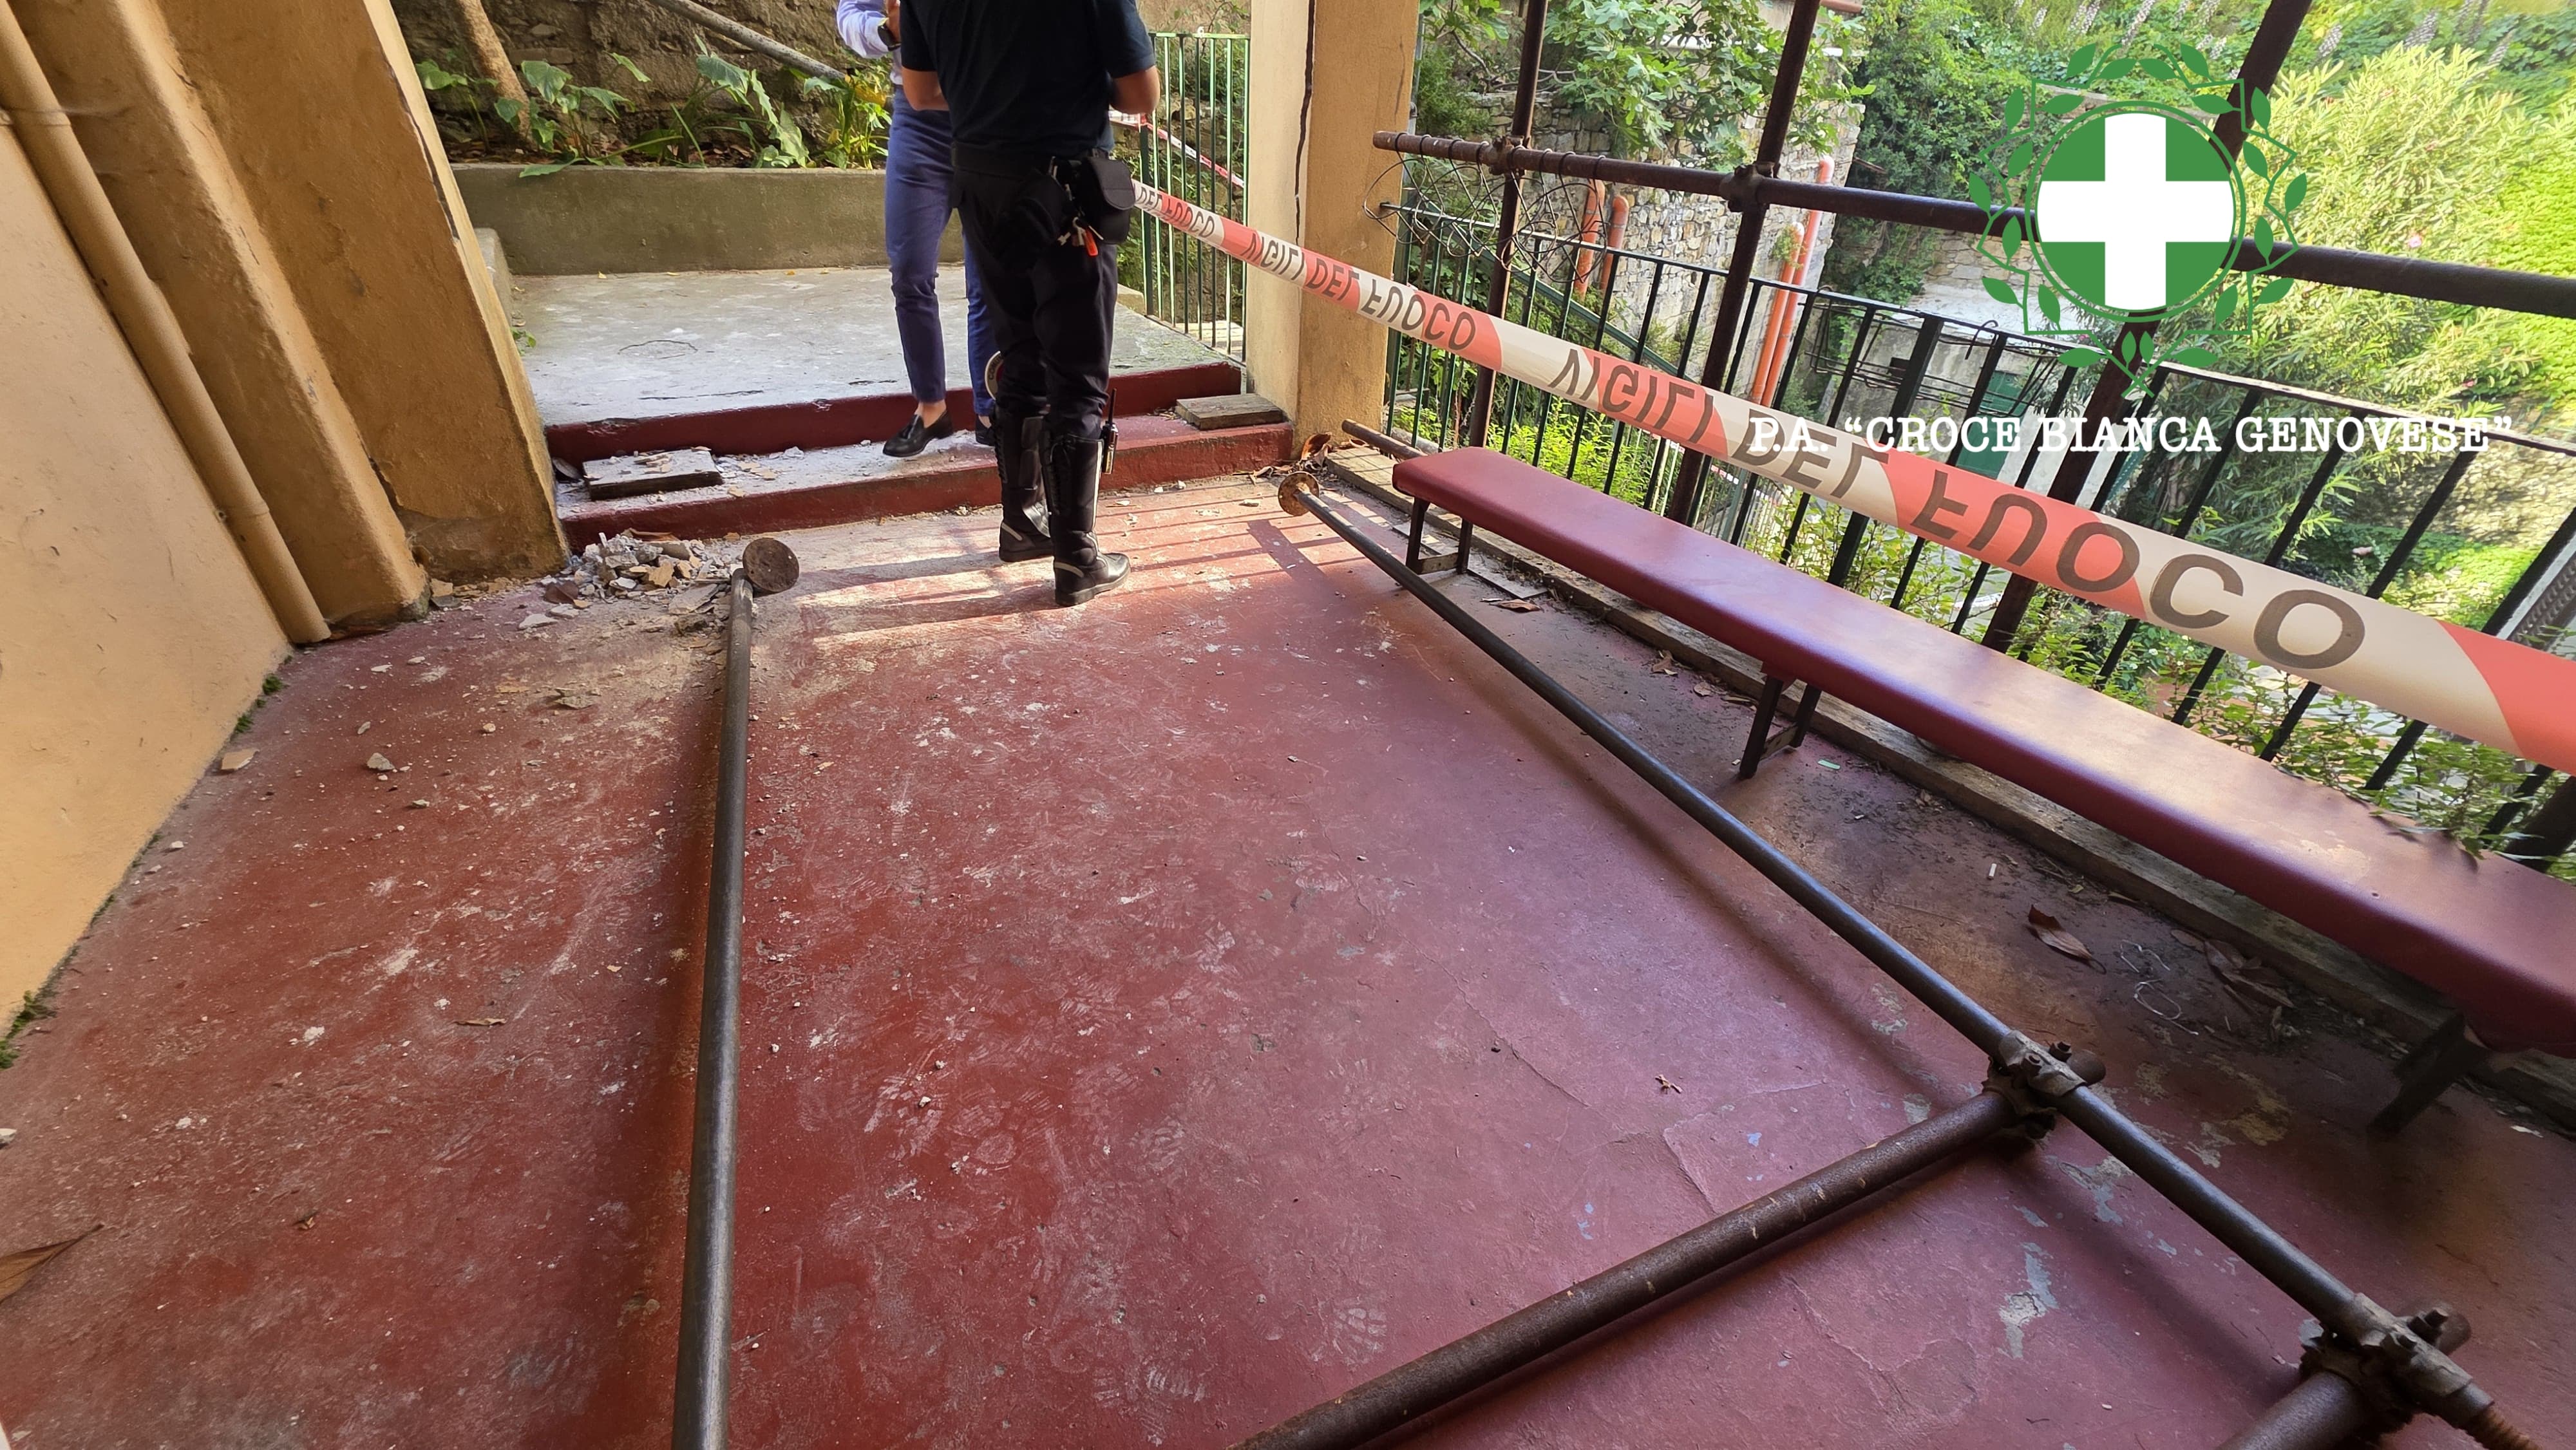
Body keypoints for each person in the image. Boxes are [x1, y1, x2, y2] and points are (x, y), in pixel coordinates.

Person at [896, 0, 1159, 604]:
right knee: (1078, 376)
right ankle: (1077, 558)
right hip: (1064, 189)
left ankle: (1022, 523)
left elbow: (921, 92)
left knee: (1020, 355)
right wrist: (1062, 88)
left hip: (981, 184)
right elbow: (1140, 94)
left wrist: (995, 96)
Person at [833, 0, 994, 458]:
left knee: (989, 277)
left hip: (987, 114)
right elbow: (850, 15)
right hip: (919, 121)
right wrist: (889, 31)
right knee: (910, 272)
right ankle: (931, 406)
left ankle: (991, 409)